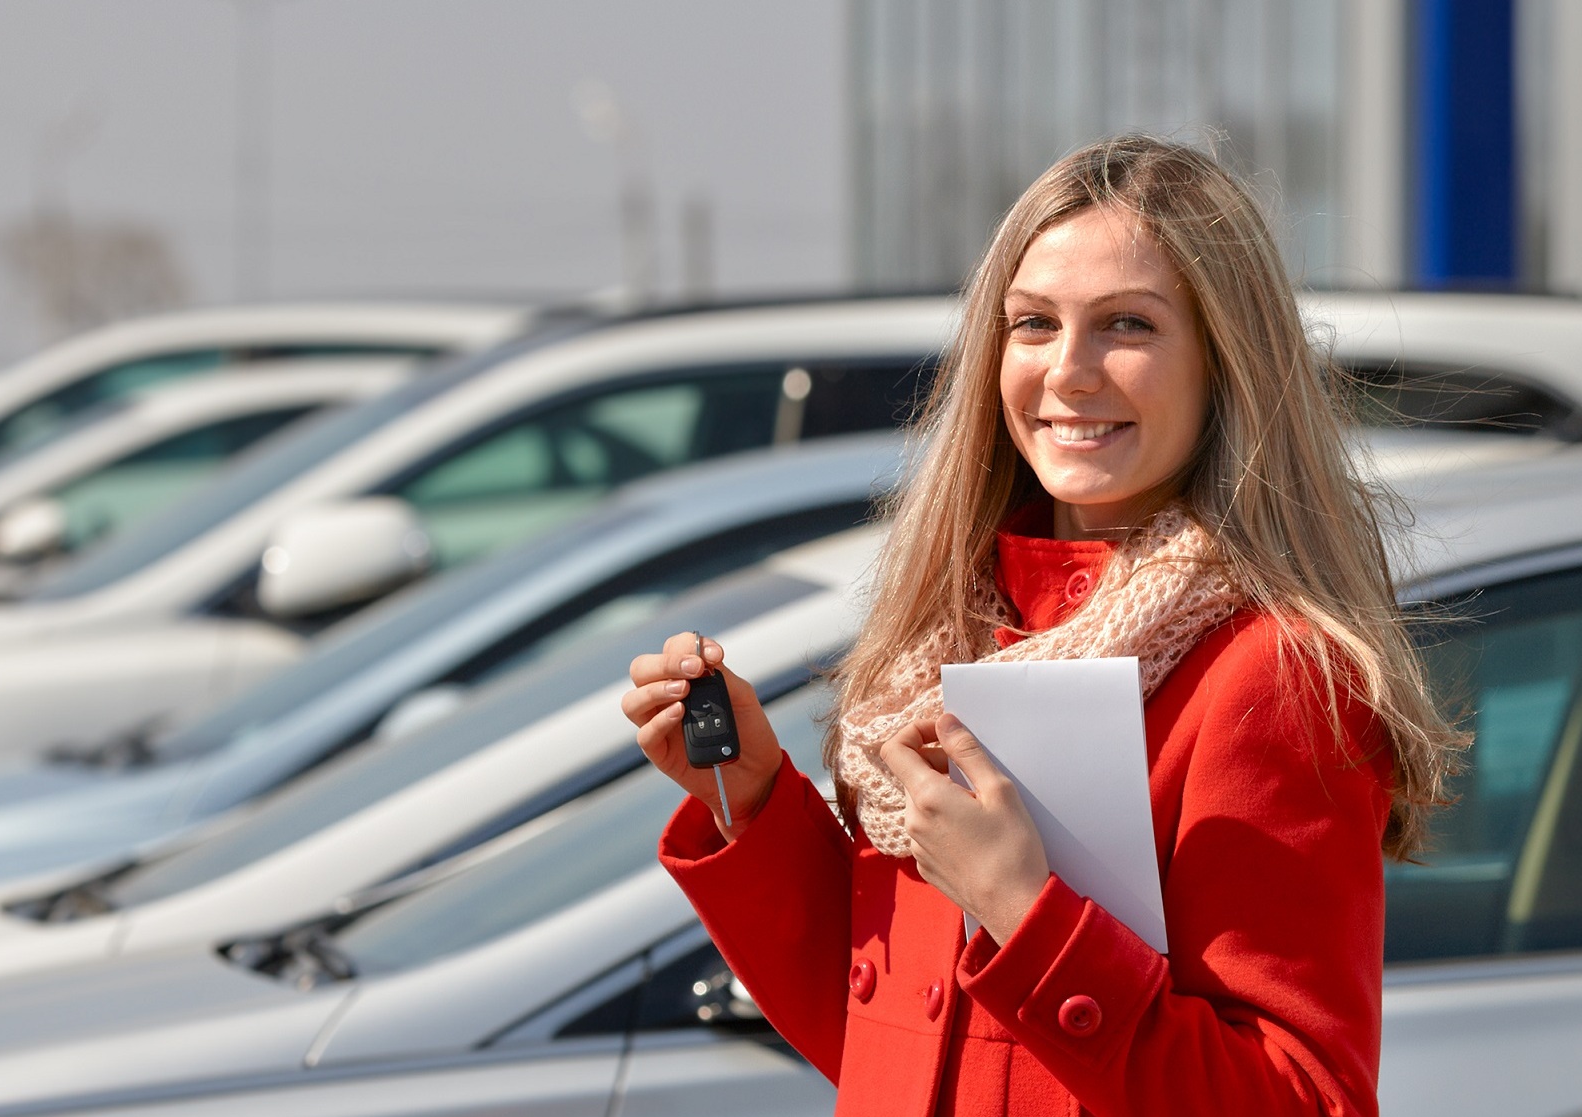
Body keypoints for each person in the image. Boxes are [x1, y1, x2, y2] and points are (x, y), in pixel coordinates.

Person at [620, 135, 1461, 1117]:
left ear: (1226, 360)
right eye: (1033, 324)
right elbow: (890, 1056)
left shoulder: (1270, 673)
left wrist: (1025, 912)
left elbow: (1303, 1102)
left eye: (1126, 324)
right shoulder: (946, 636)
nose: (1068, 371)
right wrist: (753, 797)